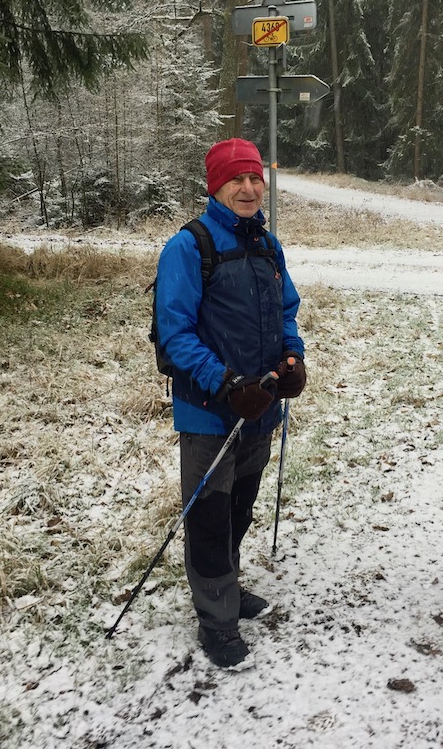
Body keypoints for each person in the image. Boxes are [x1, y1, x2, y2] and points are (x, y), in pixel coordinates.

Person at [155, 138, 306, 668]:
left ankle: (229, 589)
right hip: (210, 408)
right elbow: (173, 333)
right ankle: (216, 619)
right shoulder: (188, 246)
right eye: (235, 180)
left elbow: (286, 308)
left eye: (254, 179)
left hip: (259, 405)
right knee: (210, 516)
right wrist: (224, 383)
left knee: (240, 505)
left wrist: (292, 356)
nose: (247, 188)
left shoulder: (267, 244)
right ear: (214, 187)